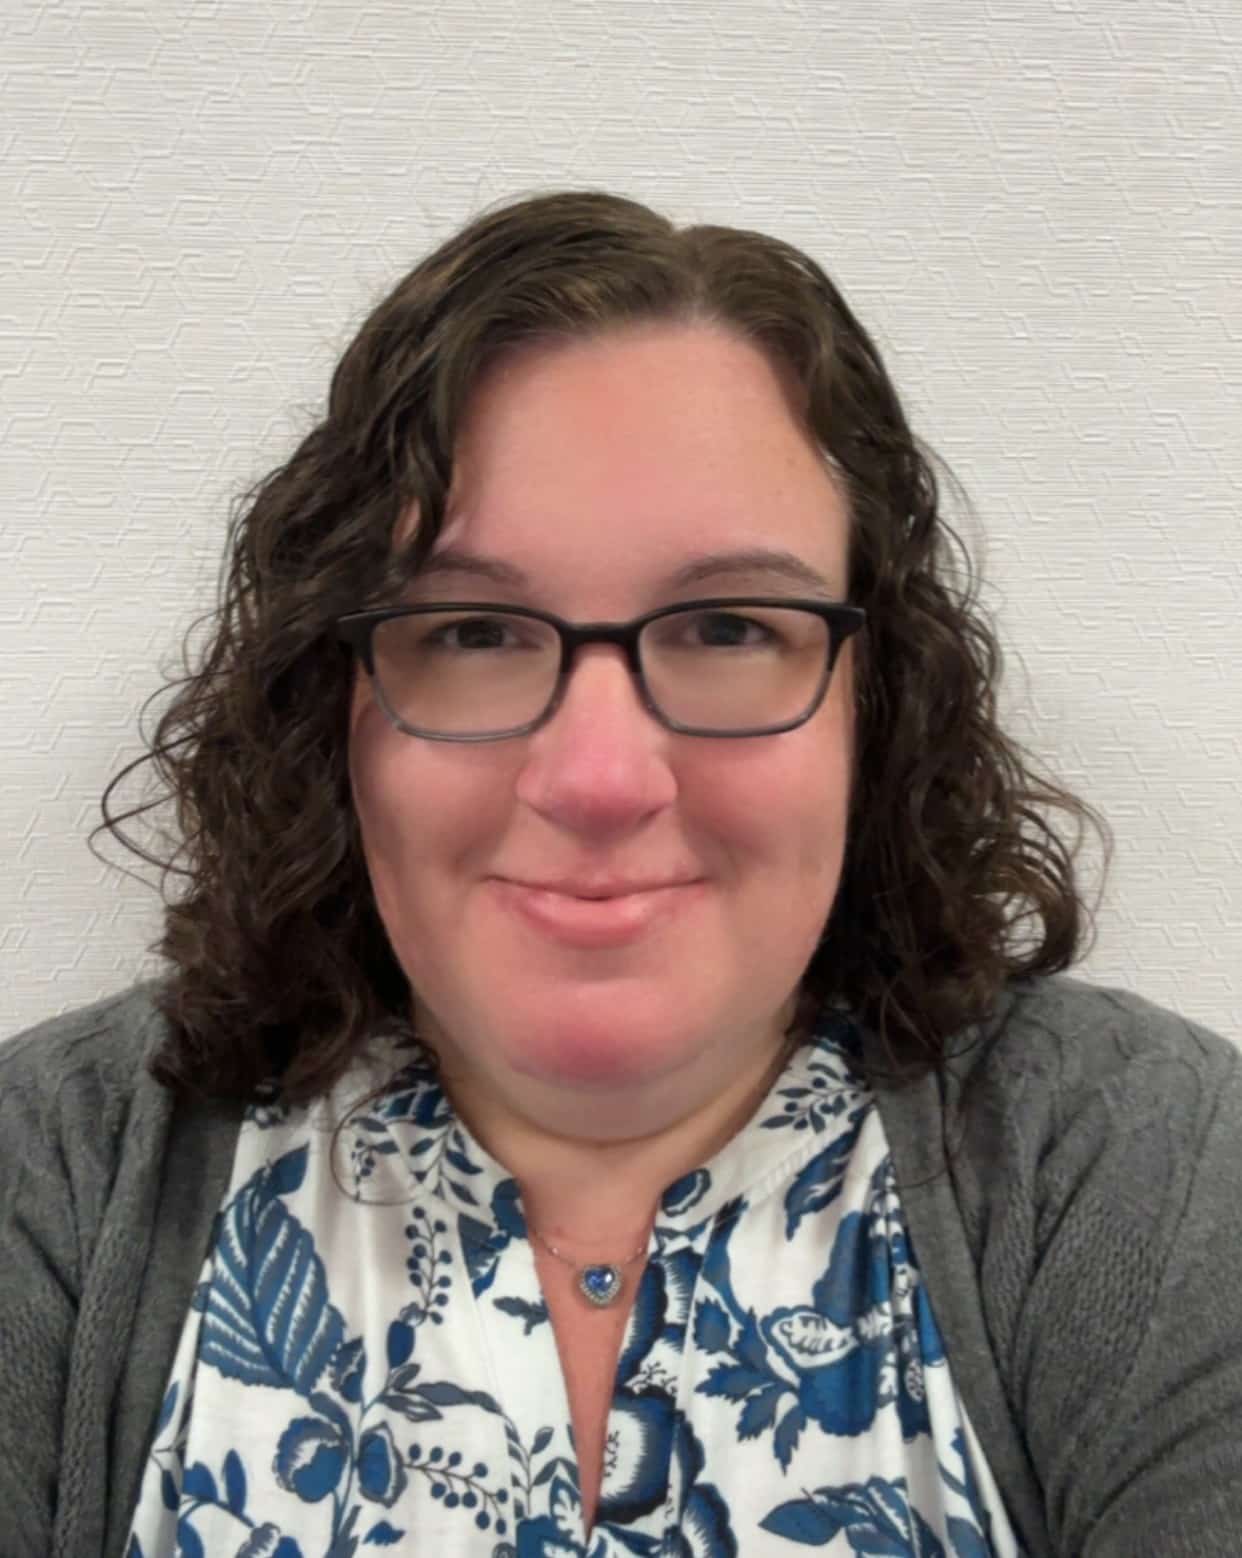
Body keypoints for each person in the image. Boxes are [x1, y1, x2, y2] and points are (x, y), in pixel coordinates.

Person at [1, 190, 1239, 1558]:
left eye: (723, 624)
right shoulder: (56, 1174)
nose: (598, 777)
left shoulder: (1142, 1170)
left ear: (872, 699)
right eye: (472, 629)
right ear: (329, 695)